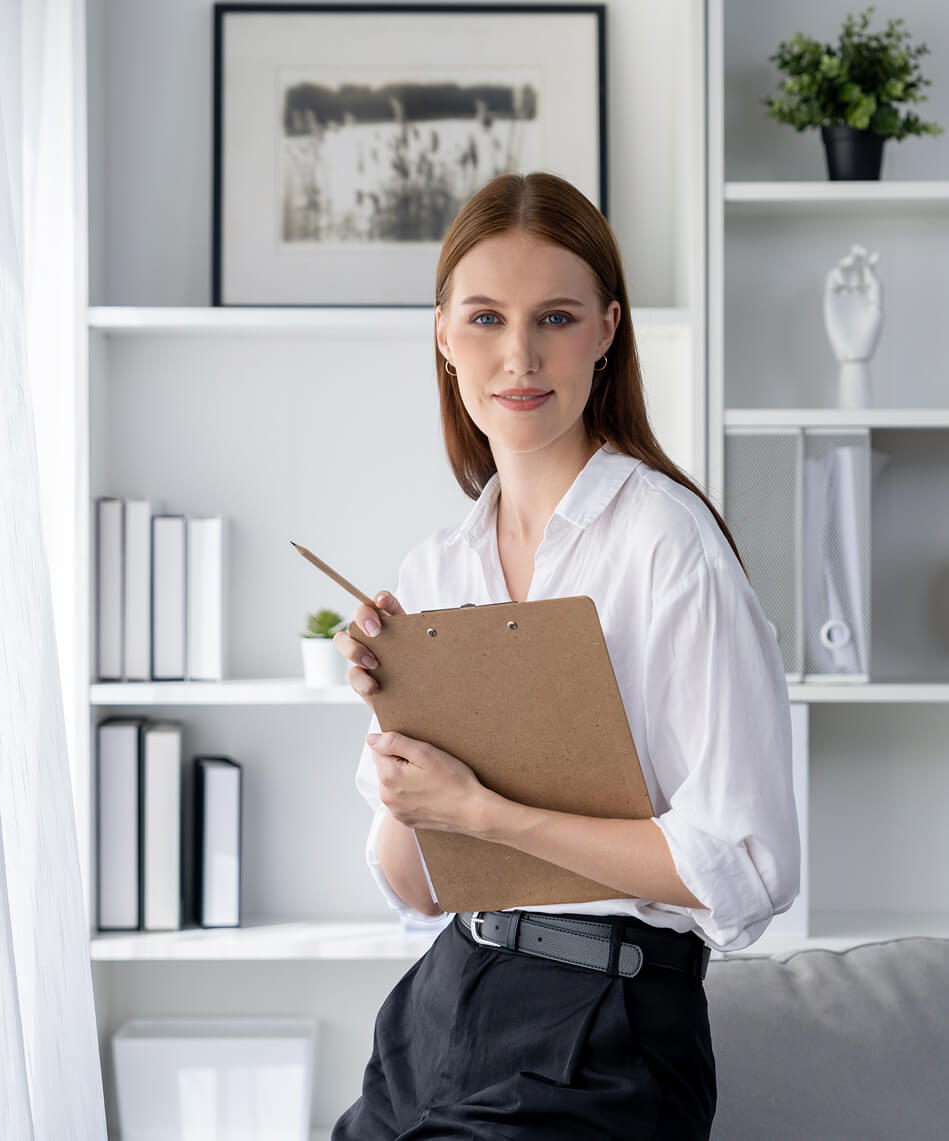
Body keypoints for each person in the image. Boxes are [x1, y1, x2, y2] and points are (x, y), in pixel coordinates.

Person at [330, 171, 800, 1140]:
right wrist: (398, 730)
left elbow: (745, 869)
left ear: (606, 330)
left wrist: (487, 813)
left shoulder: (667, 544)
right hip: (440, 1008)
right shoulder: (436, 568)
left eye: (554, 317)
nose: (519, 355)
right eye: (486, 318)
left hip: (609, 1026)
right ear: (443, 335)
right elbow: (418, 885)